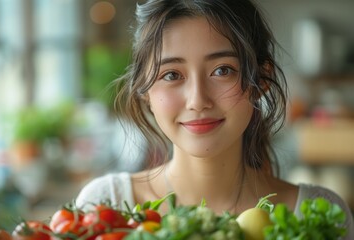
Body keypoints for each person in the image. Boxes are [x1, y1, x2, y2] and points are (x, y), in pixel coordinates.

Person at [76, 0, 354, 238]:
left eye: (222, 70)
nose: (198, 100)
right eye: (171, 74)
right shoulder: (104, 207)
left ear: (262, 78)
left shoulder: (318, 215)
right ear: (145, 91)